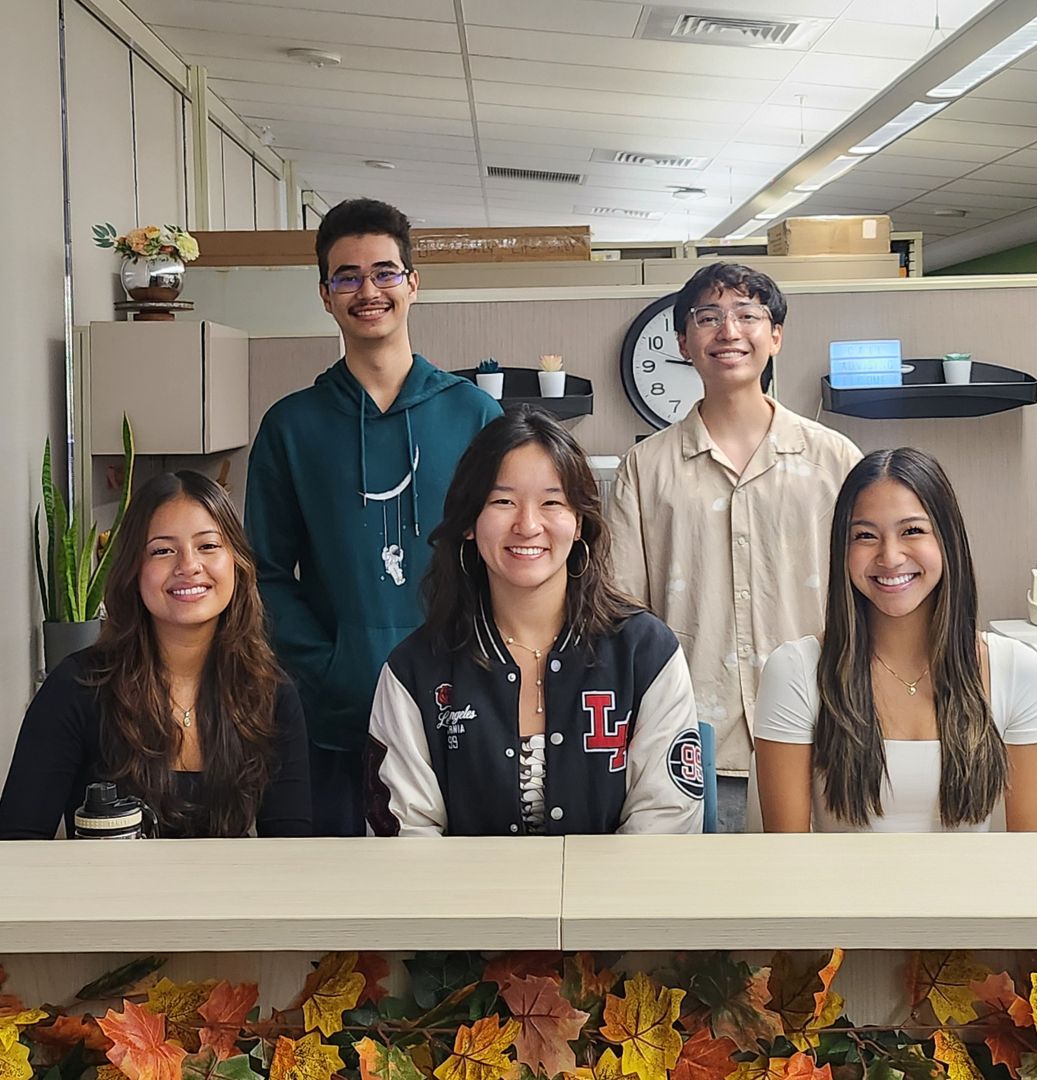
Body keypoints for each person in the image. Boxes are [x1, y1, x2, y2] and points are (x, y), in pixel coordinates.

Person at [245, 198, 502, 835]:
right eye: (348, 277)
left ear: (413, 284)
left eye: (386, 272)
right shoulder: (291, 426)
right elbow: (267, 573)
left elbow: (513, 558)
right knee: (343, 907)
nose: (369, 291)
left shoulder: (474, 417)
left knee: (462, 907)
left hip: (464, 703)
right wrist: (329, 666)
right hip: (336, 717)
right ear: (325, 295)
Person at [365, 406, 705, 836]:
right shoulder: (414, 671)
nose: (528, 525)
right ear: (469, 521)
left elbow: (665, 824)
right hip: (463, 901)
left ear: (579, 522)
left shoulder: (645, 652)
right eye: (503, 501)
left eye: (552, 503)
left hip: (614, 901)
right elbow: (405, 836)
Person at [608, 262, 862, 831]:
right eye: (708, 317)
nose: (729, 331)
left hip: (826, 731)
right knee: (709, 913)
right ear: (684, 342)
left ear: (775, 336)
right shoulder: (646, 469)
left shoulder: (836, 461)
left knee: (826, 904)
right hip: (694, 746)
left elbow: (869, 592)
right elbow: (622, 611)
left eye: (748, 315)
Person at [754, 448, 1037, 833]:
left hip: (977, 894)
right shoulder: (796, 670)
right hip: (835, 894)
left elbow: (1030, 858)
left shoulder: (1018, 670)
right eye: (865, 536)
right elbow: (786, 857)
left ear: (948, 541)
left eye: (912, 531)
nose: (890, 556)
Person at [0, 471, 311, 840]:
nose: (188, 566)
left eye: (208, 546)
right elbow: (15, 848)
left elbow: (291, 854)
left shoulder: (271, 694)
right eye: (163, 550)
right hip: (105, 897)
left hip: (228, 897)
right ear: (133, 568)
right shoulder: (76, 689)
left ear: (237, 563)